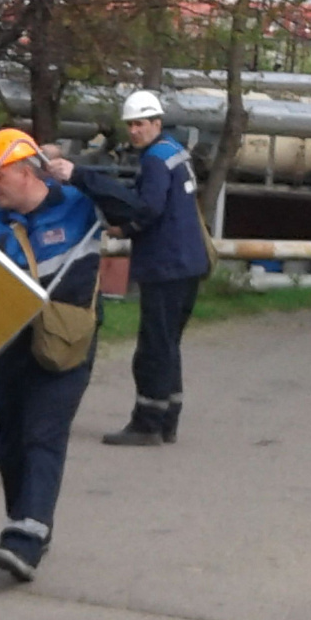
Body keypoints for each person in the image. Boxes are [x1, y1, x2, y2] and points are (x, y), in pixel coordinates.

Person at [0, 129, 140, 582]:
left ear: (27, 173)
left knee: (43, 432)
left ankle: (26, 538)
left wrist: (83, 174)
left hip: (67, 341)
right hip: (14, 342)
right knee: (10, 436)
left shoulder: (79, 203)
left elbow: (137, 212)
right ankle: (26, 521)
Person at [49, 90, 210, 446]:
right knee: (169, 343)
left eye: (140, 124)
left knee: (153, 345)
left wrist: (125, 228)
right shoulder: (175, 152)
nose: (134, 131)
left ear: (156, 123)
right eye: (131, 125)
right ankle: (168, 417)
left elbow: (148, 208)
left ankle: (147, 422)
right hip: (188, 262)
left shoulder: (154, 159)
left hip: (165, 263)